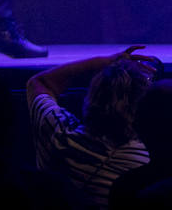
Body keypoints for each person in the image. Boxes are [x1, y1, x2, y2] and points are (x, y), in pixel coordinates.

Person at [26, 47, 157, 208]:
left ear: (91, 96)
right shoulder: (146, 160)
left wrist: (105, 62)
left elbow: (39, 82)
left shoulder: (58, 134)